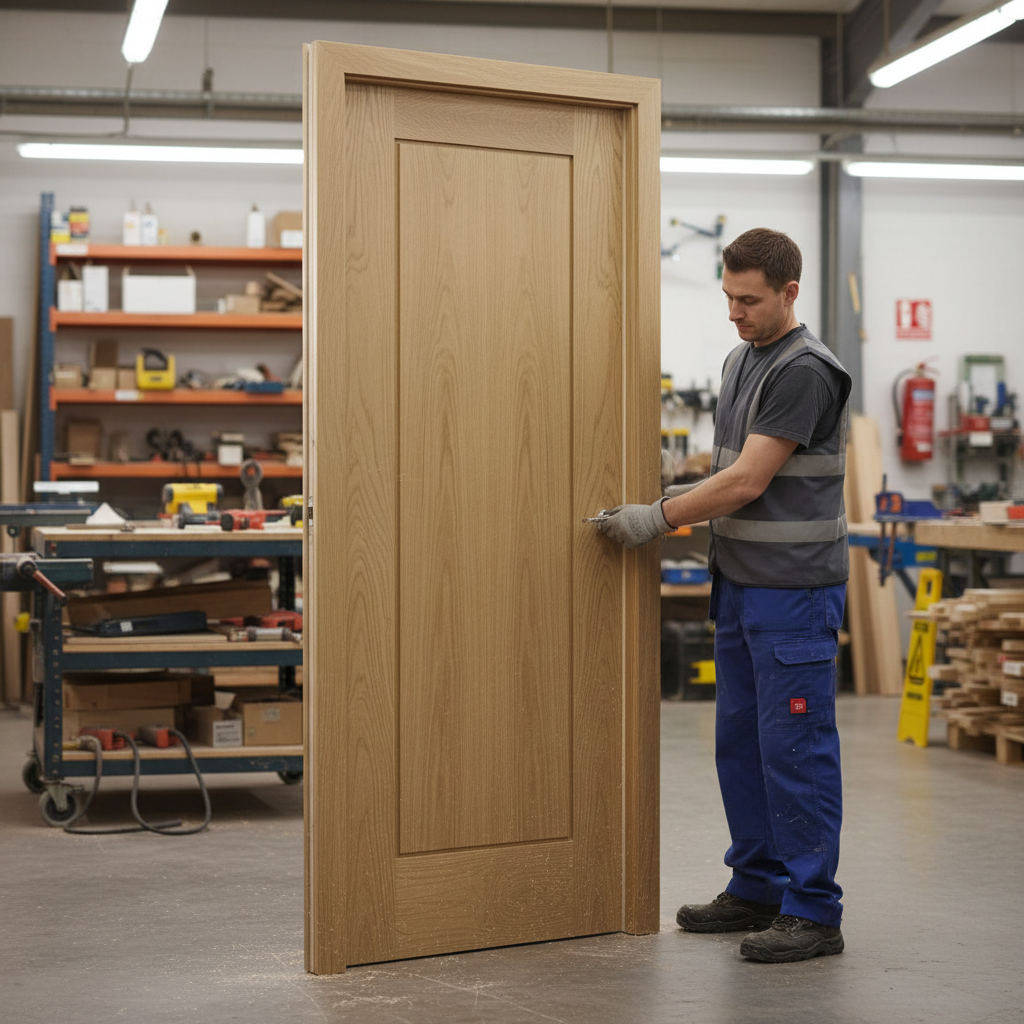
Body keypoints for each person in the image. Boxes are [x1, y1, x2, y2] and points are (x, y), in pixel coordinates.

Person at [597, 227, 851, 964]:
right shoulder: (744, 358)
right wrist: (673, 496)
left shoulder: (805, 370)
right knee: (742, 746)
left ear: (789, 292)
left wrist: (658, 515)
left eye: (750, 300)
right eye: (728, 298)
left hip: (793, 597)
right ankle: (758, 885)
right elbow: (727, 472)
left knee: (796, 751)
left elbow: (747, 482)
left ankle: (813, 910)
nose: (735, 313)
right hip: (740, 587)